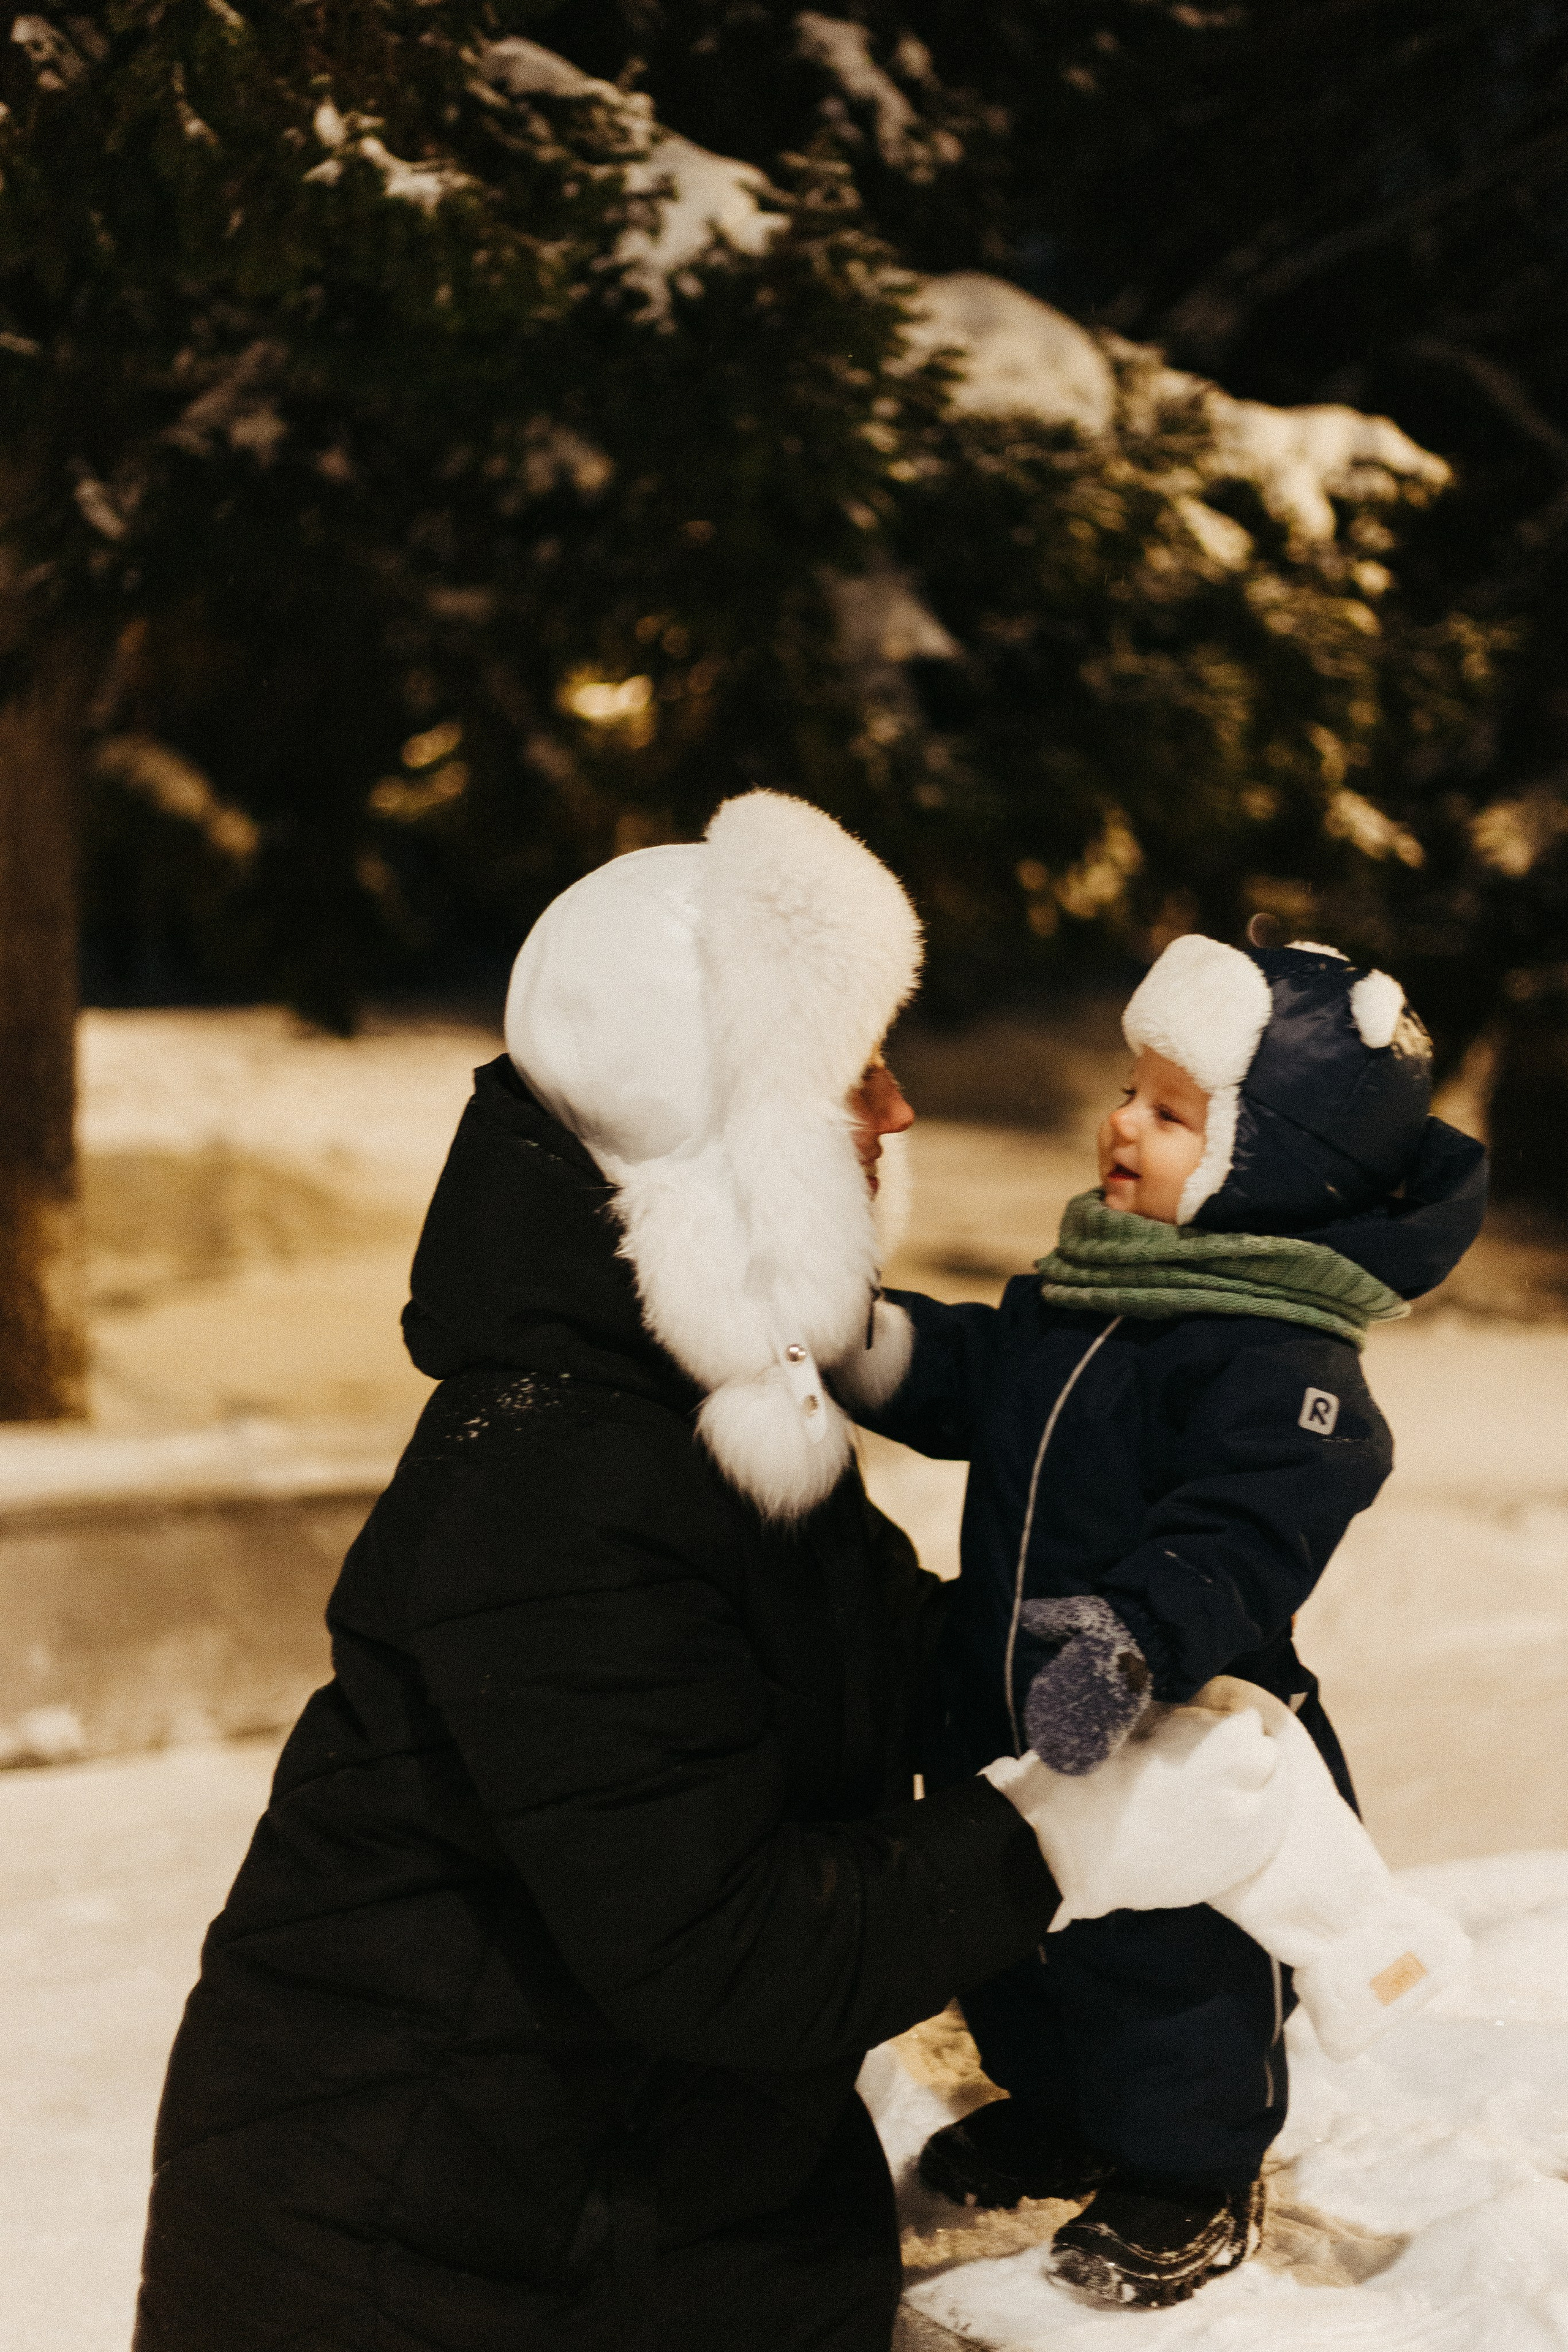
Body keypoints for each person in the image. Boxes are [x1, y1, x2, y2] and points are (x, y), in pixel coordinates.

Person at [132, 799, 1291, 2352]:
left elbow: (898, 1664)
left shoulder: (725, 1415)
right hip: (407, 2259)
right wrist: (1060, 1840)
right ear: (722, 1130)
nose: (893, 1109)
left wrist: (1117, 1674)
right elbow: (725, 1953)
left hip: (633, 2215)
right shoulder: (556, 1479)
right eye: (847, 1072)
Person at [851, 932, 1488, 2311]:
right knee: (1019, 1934)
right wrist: (868, 1343)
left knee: (1167, 1962)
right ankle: (1065, 2109)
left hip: (1167, 1731)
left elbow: (1244, 1538)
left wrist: (1129, 1639)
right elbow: (978, 1373)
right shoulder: (1100, 1289)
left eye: (1168, 1110)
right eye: (1127, 1091)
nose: (1118, 1124)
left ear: (1271, 1163)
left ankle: (1192, 2173)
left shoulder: (1275, 1358)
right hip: (1017, 1698)